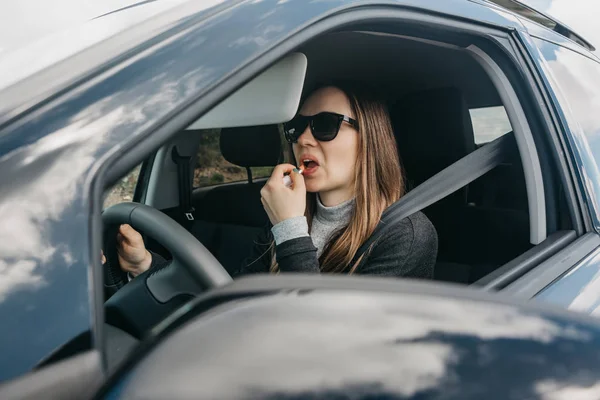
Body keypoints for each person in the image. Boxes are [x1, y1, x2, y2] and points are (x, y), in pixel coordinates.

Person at [109, 84, 438, 279]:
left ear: (370, 139)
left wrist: (290, 229)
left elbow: (329, 341)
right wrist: (147, 265)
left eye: (325, 125)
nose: (304, 139)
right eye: (296, 127)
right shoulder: (292, 215)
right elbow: (236, 300)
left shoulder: (407, 234)